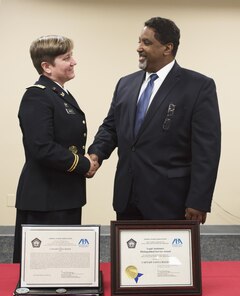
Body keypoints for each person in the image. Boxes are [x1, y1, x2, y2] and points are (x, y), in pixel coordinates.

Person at [88, 17, 221, 223]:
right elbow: (111, 127)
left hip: (170, 201)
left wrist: (199, 199)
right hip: (127, 197)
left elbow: (207, 150)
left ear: (167, 48)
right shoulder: (125, 84)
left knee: (168, 257)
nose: (138, 48)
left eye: (146, 43)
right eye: (139, 41)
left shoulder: (198, 86)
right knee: (127, 255)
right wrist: (96, 154)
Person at [13, 35, 98, 263]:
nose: (74, 62)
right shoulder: (36, 96)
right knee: (43, 268)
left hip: (64, 193)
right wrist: (83, 164)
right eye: (66, 58)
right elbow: (41, 147)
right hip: (46, 198)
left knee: (63, 268)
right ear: (47, 66)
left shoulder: (59, 94)